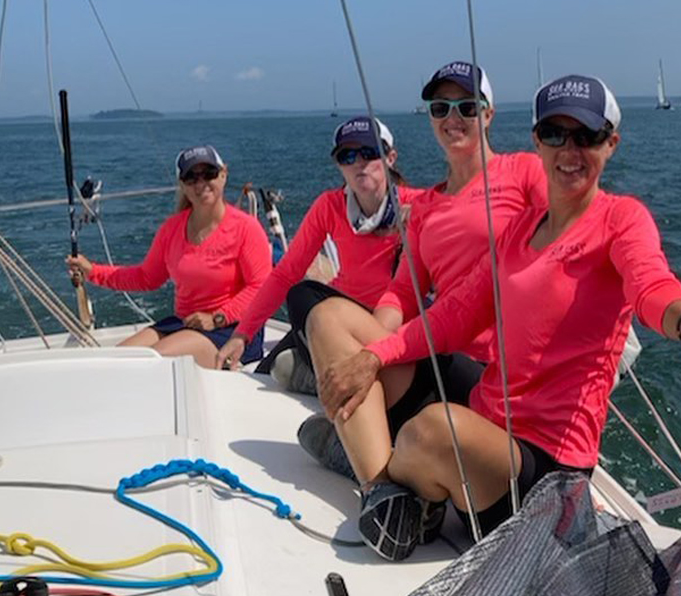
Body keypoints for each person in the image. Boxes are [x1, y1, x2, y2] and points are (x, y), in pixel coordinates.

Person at [319, 74, 681, 561]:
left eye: (587, 136)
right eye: (556, 135)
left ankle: (395, 485)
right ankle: (400, 491)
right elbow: (454, 315)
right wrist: (374, 356)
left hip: (547, 473)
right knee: (343, 331)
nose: (571, 150)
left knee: (431, 429)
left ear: (612, 144)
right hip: (489, 427)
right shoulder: (518, 232)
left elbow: (649, 281)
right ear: (537, 142)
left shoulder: (620, 219)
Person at [300, 61, 548, 560]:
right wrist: (370, 352)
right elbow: (402, 296)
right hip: (443, 359)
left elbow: (573, 236)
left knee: (350, 353)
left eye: (466, 106)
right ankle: (383, 497)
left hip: (498, 372)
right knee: (324, 316)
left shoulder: (524, 173)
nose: (452, 117)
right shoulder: (428, 208)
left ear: (490, 114)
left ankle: (360, 447)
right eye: (440, 107)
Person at [215, 116, 420, 377]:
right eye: (347, 156)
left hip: (390, 324)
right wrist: (242, 334)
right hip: (339, 315)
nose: (358, 163)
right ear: (339, 165)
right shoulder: (330, 206)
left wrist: (426, 222)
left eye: (369, 153)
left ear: (390, 157)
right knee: (267, 368)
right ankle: (320, 372)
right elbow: (286, 273)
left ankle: (317, 374)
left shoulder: (420, 206)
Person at [66, 145, 272, 369]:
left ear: (223, 175)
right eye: (191, 177)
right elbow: (146, 277)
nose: (200, 183)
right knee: (114, 362)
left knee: (149, 364)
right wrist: (93, 271)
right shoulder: (172, 229)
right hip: (186, 324)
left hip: (233, 329)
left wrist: (216, 318)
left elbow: (261, 288)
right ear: (182, 185)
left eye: (208, 174)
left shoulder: (246, 229)